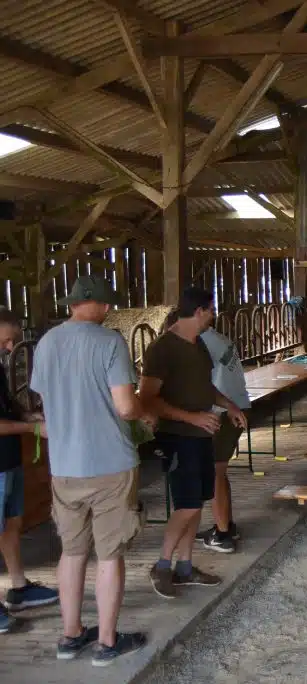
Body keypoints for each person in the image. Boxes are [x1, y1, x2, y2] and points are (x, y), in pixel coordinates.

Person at [29, 275, 147, 665]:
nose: (111, 310)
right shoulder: (109, 342)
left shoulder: (47, 343)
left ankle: (70, 635)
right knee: (110, 554)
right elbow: (126, 407)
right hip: (110, 463)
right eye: (107, 304)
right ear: (91, 302)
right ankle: (108, 643)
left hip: (64, 465)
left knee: (73, 551)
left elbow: (46, 401)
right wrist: (145, 411)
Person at [139, 287, 246, 600]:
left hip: (201, 434)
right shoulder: (163, 349)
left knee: (197, 502)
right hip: (178, 437)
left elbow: (206, 387)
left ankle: (185, 567)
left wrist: (230, 406)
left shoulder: (198, 344)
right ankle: (162, 565)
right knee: (185, 505)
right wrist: (191, 418)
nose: (212, 316)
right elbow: (147, 400)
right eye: (211, 310)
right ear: (199, 310)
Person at [0, 309, 57, 635]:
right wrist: (32, 429)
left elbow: (5, 403)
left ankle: (19, 588)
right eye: (6, 340)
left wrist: (28, 415)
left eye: (13, 341)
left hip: (8, 461)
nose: (11, 348)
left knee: (12, 524)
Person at [194, 325, 251, 554]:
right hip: (234, 405)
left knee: (214, 472)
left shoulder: (199, 343)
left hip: (222, 411)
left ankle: (223, 534)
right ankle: (226, 523)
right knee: (219, 471)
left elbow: (203, 382)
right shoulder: (217, 338)